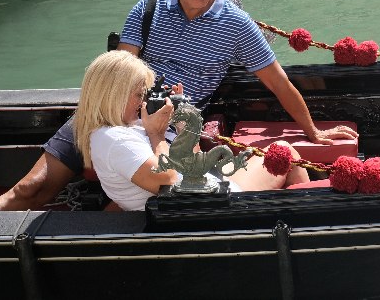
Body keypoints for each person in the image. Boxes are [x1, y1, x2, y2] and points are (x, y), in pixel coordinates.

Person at [0, 0, 357, 211]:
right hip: (111, 111)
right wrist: (92, 129)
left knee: (143, 202)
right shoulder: (148, 9)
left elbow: (278, 83)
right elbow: (117, 72)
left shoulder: (238, 26)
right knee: (31, 190)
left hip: (171, 125)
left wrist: (314, 131)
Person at [73, 51, 308, 210]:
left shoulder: (125, 128)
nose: (144, 101)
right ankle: (305, 220)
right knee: (285, 152)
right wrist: (156, 134)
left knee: (281, 152)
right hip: (215, 208)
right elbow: (169, 180)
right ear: (114, 96)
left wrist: (183, 126)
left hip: (206, 195)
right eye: (139, 94)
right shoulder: (115, 140)